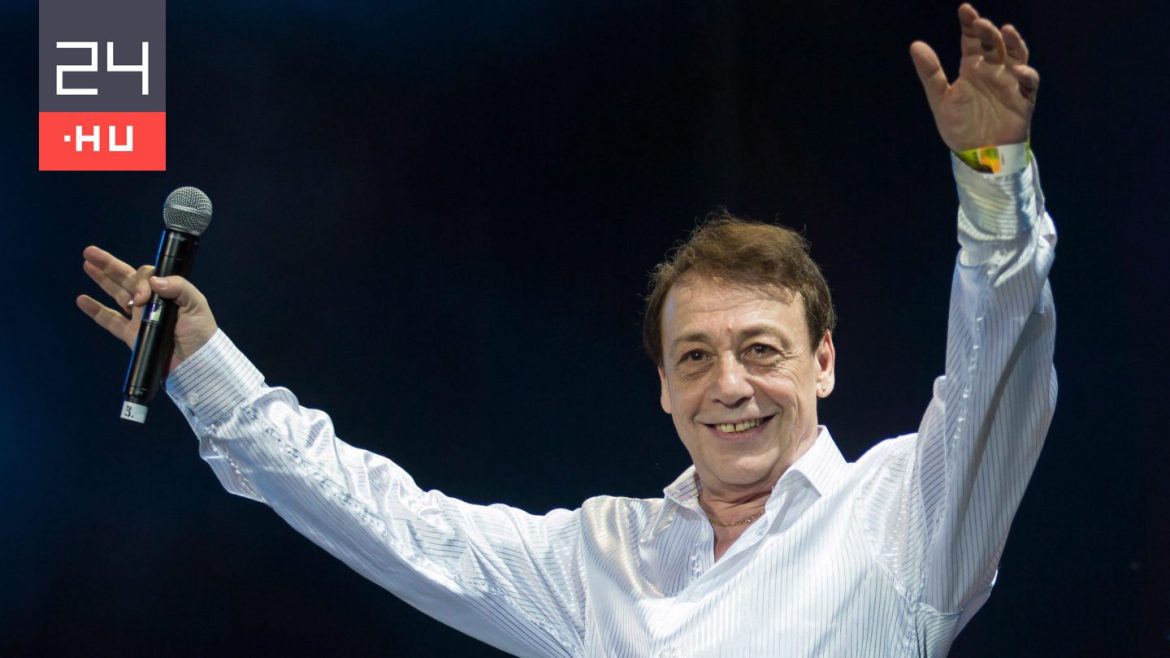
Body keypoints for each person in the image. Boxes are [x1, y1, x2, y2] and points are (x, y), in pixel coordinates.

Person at [77, 4, 1055, 656]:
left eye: (761, 349)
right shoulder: (605, 558)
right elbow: (389, 522)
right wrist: (205, 364)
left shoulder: (905, 515)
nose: (729, 385)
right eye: (695, 357)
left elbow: (997, 360)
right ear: (663, 387)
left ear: (824, 361)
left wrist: (990, 174)